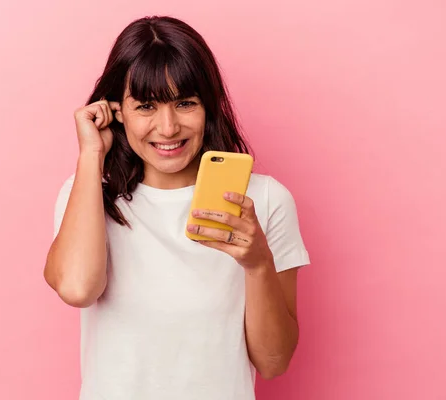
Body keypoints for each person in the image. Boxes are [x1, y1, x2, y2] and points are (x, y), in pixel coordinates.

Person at [44, 15, 310, 400]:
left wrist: (258, 263)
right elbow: (77, 288)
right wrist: (91, 154)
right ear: (117, 110)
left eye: (185, 103)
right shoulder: (87, 193)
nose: (167, 128)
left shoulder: (266, 200)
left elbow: (274, 362)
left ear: (209, 107)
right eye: (146, 106)